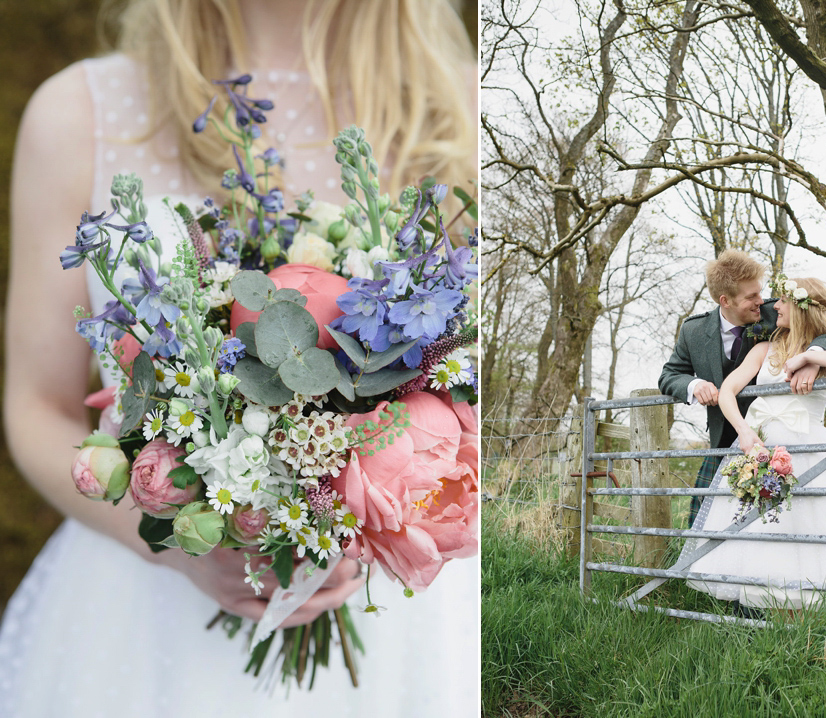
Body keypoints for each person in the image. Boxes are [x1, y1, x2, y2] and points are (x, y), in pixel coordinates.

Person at [0, 1, 478, 716]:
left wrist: (366, 511)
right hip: (137, 619)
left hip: (404, 628)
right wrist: (168, 535)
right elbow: (37, 405)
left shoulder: (462, 105)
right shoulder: (79, 112)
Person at [681, 276, 826, 618]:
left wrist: (808, 358)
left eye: (782, 301)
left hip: (810, 447)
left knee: (812, 528)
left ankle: (807, 617)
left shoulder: (823, 354)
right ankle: (764, 612)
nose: (774, 306)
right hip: (763, 444)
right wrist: (744, 431)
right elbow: (727, 391)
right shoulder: (764, 349)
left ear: (798, 308)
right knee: (761, 526)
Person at [658, 249, 826, 526]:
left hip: (782, 433)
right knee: (708, 516)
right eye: (751, 297)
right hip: (728, 434)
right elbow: (670, 374)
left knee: (793, 512)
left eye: (760, 293)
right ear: (724, 300)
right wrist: (694, 383)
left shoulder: (775, 312)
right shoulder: (694, 331)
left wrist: (813, 354)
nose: (761, 301)